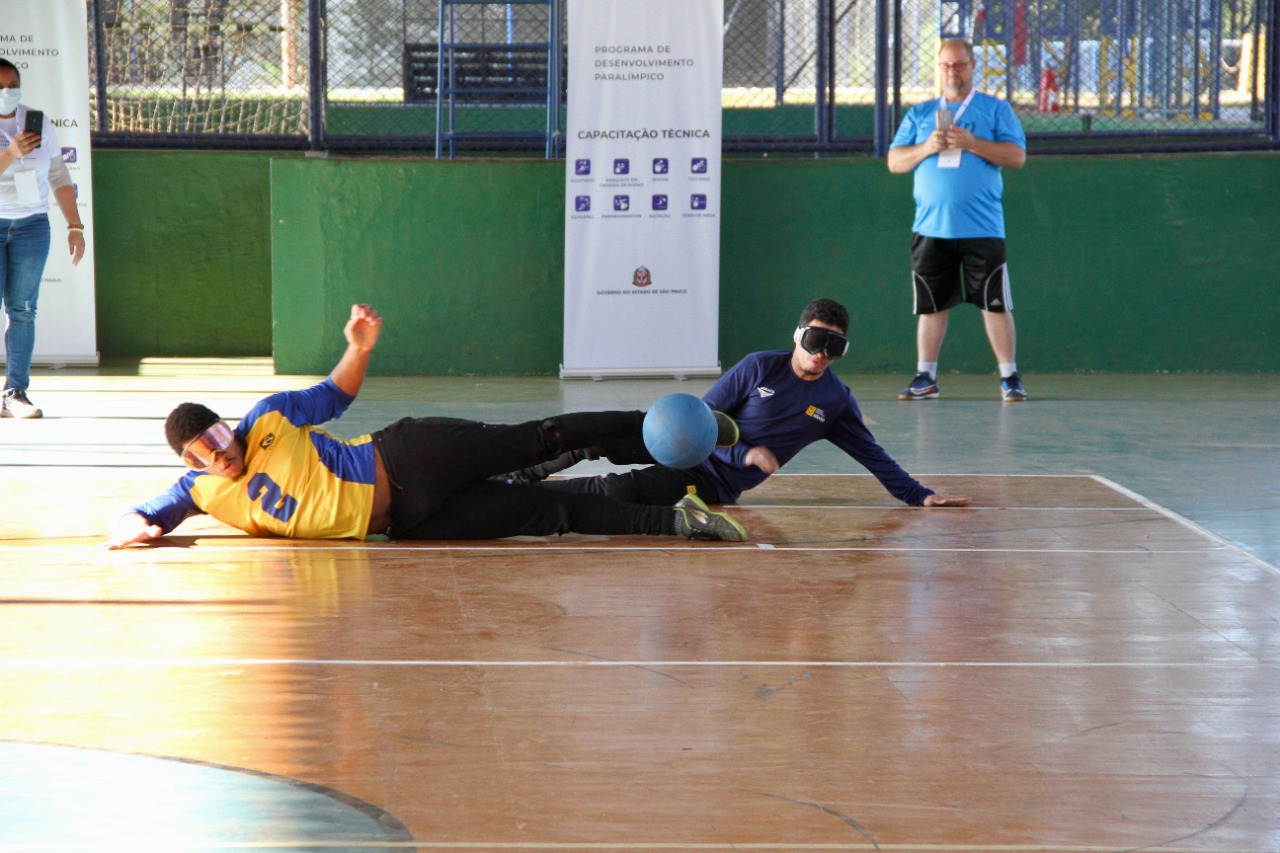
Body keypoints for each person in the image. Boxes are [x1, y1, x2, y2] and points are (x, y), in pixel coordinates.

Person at [105, 304, 747, 548]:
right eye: (203, 453)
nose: (219, 454)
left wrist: (358, 348)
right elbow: (145, 512)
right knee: (553, 516)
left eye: (219, 437)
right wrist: (134, 527)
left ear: (226, 425)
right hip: (407, 525)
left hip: (411, 457)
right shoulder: (199, 493)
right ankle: (679, 520)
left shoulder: (268, 418)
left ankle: (669, 427)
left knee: (540, 438)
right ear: (190, 463)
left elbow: (332, 395)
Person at [504, 298, 971, 511]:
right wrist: (745, 451)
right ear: (798, 335)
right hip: (681, 440)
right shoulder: (758, 368)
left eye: (834, 348)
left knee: (616, 491)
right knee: (594, 439)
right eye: (814, 341)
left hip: (710, 482)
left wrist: (918, 495)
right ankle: (514, 475)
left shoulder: (834, 402)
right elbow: (699, 424)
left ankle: (519, 502)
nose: (820, 355)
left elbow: (874, 456)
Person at [887, 39, 1028, 403]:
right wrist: (926, 148)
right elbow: (895, 162)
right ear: (938, 67)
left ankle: (1010, 378)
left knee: (994, 304)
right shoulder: (920, 115)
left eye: (960, 64)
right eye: (947, 65)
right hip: (931, 228)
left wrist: (972, 142)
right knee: (931, 306)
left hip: (983, 228)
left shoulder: (995, 110)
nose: (954, 71)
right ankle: (925, 378)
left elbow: (1016, 156)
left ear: (972, 66)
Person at [0, 57, 87, 419]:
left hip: (32, 225)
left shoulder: (37, 121)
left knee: (22, 310)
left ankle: (14, 393)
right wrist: (11, 153)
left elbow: (58, 175)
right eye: (1, 87)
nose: (8, 92)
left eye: (13, 85)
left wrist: (75, 226)